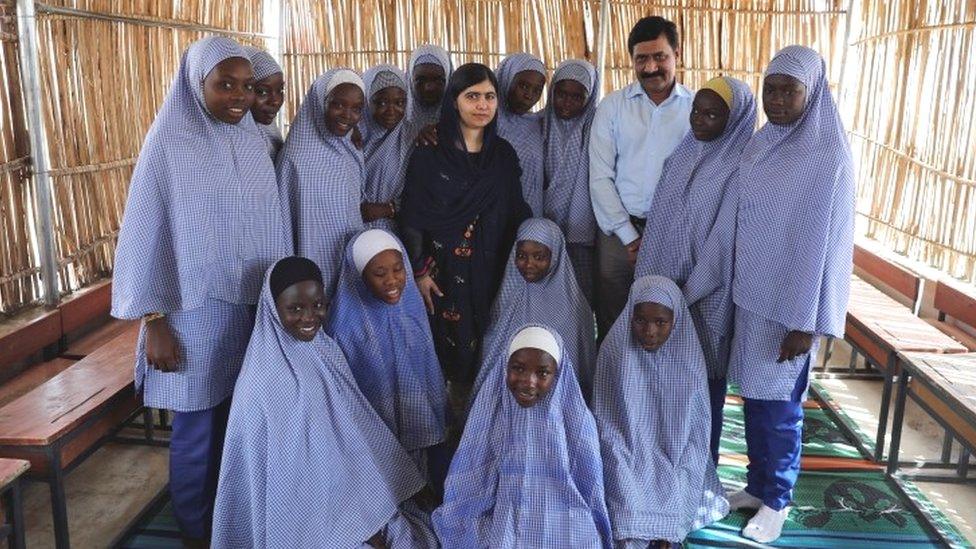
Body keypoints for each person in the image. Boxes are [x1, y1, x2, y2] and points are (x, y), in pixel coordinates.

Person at [111, 36, 291, 546]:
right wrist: (155, 322)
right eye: (224, 85)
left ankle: (233, 521)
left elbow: (268, 224)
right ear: (197, 85)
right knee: (195, 430)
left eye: (246, 86)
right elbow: (145, 232)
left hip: (248, 309)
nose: (238, 96)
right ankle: (195, 529)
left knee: (238, 424)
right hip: (189, 313)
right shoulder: (169, 143)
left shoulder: (252, 141)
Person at [703, 46, 855, 543]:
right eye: (771, 88)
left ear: (812, 94)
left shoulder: (827, 155)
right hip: (751, 296)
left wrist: (805, 323)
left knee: (781, 412)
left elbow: (828, 246)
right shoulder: (762, 143)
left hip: (792, 308)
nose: (778, 99)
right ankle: (755, 486)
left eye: (789, 90)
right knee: (751, 401)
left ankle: (778, 501)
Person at [212, 257, 436, 548]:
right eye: (295, 308)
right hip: (303, 511)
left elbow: (355, 426)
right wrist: (362, 526)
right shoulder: (265, 382)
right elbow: (297, 480)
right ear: (272, 310)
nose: (310, 318)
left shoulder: (322, 348)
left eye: (318, 305)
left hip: (343, 485)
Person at [635, 76, 756, 463]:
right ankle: (661, 460)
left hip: (704, 296)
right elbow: (659, 221)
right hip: (664, 288)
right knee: (660, 377)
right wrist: (653, 287)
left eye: (712, 114)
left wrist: (684, 294)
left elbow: (724, 243)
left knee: (702, 383)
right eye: (696, 111)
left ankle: (702, 466)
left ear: (734, 118)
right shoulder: (685, 152)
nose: (700, 121)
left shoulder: (739, 168)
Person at [399, 63, 531, 417]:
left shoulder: (502, 156)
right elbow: (412, 216)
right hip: (441, 276)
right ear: (454, 101)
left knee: (490, 346)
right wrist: (420, 271)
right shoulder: (429, 153)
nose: (482, 105)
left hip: (493, 270)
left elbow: (517, 211)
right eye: (472, 96)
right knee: (443, 356)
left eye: (489, 97)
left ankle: (480, 426)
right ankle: (441, 431)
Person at [433, 325, 613, 548]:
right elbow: (470, 482)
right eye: (518, 368)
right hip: (504, 517)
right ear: (504, 367)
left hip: (564, 520)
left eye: (542, 372)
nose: (528, 382)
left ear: (558, 374)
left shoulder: (577, 421)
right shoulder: (490, 413)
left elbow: (590, 488)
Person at [593, 275, 728, 549]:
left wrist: (674, 463)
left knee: (675, 492)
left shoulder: (689, 362)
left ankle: (665, 530)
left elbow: (696, 435)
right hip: (624, 451)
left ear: (675, 320)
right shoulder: (613, 352)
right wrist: (624, 457)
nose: (649, 331)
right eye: (640, 320)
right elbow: (605, 424)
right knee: (625, 506)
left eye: (660, 322)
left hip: (676, 456)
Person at [589, 16, 693, 338]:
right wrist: (629, 236)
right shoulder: (612, 108)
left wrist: (664, 233)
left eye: (659, 56)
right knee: (613, 318)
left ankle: (652, 387)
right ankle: (612, 384)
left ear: (677, 53)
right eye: (641, 59)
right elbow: (600, 177)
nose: (650, 68)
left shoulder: (696, 111)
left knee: (661, 321)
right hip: (619, 235)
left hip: (673, 235)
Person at [324, 228, 448, 484]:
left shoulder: (411, 306)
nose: (392, 281)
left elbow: (426, 366)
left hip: (419, 424)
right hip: (374, 443)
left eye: (398, 269)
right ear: (359, 276)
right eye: (379, 274)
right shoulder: (344, 326)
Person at [473, 218, 595, 402]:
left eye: (539, 257)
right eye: (521, 256)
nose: (528, 264)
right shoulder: (508, 298)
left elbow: (578, 370)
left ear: (555, 257)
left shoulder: (574, 310)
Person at [277, 68, 365, 298]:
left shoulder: (351, 150)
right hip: (312, 267)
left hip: (350, 263)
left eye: (356, 109)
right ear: (319, 102)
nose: (347, 115)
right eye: (337, 105)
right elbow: (285, 225)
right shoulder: (295, 158)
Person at [543, 59, 600, 306]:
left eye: (577, 97)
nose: (567, 102)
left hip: (582, 232)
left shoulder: (597, 128)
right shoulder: (538, 125)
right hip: (542, 227)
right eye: (561, 94)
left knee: (581, 298)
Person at [360, 65, 410, 232]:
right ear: (366, 101)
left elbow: (425, 193)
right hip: (348, 228)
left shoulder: (410, 139)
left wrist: (390, 208)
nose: (391, 111)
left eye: (399, 103)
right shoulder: (349, 139)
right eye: (380, 102)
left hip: (396, 235)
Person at [495, 53, 547, 215]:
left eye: (537, 90)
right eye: (523, 86)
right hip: (494, 218)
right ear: (506, 80)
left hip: (530, 219)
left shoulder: (538, 125)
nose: (529, 95)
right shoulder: (486, 122)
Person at [244, 46, 285, 159]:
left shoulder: (270, 132)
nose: (276, 101)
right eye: (262, 92)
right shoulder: (236, 145)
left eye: (280, 90)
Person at [406, 44, 453, 132]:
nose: (429, 88)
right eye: (420, 80)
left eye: (438, 80)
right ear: (410, 80)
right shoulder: (394, 121)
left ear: (448, 80)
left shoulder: (462, 124)